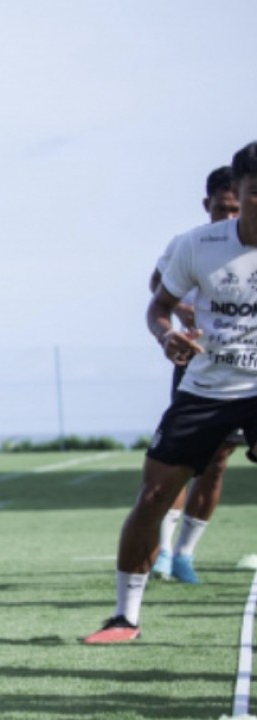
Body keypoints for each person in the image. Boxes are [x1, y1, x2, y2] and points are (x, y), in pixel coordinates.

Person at [84, 142, 257, 644]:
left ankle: (183, 557)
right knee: (155, 495)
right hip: (206, 388)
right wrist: (166, 335)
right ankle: (125, 618)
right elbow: (158, 306)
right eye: (254, 195)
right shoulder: (196, 246)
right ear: (236, 194)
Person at [147, 166, 242, 583]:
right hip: (197, 366)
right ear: (208, 205)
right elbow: (157, 286)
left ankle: (185, 554)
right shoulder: (189, 245)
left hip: (245, 372)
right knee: (178, 463)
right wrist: (182, 314)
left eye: (235, 208)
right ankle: (163, 552)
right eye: (221, 208)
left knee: (218, 463)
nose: (228, 217)